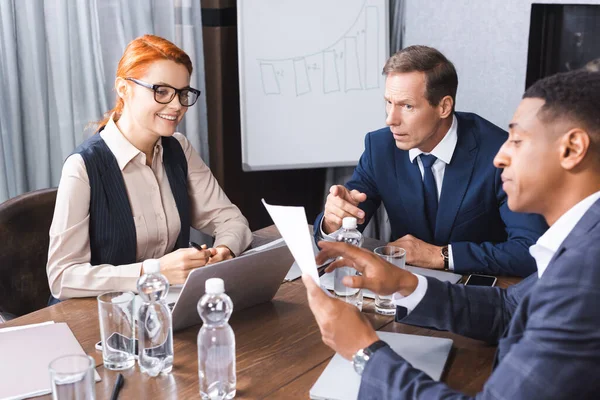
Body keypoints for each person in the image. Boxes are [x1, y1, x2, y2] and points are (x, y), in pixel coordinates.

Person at [304, 69, 600, 399]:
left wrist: (363, 351)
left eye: (516, 140)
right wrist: (406, 284)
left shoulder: (584, 277)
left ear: (572, 148)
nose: (501, 157)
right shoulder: (586, 237)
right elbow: (509, 308)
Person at [47, 35, 252, 301]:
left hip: (162, 310)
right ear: (123, 88)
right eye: (162, 91)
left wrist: (225, 249)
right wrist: (154, 271)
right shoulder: (83, 166)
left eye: (182, 93)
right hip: (97, 320)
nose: (177, 105)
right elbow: (62, 277)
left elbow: (231, 220)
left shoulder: (178, 149)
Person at [314, 45, 547, 276]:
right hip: (403, 287)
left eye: (407, 106)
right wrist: (333, 222)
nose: (390, 120)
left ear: (444, 107)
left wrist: (439, 255)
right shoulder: (380, 147)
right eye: (388, 102)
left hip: (480, 294)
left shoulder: (500, 153)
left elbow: (532, 250)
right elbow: (346, 221)